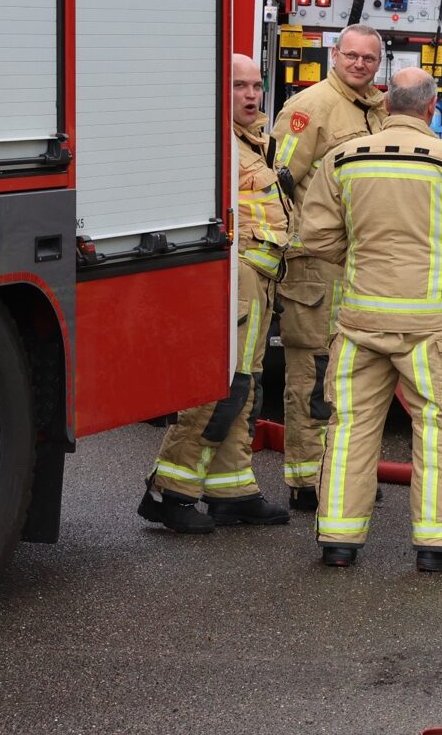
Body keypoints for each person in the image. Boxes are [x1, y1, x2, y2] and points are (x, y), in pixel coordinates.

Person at [296, 67, 442, 571]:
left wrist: (362, 262)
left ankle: (338, 541)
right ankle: (439, 544)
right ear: (432, 107)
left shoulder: (342, 160)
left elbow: (315, 235)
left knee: (349, 427)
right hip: (432, 326)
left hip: (361, 319)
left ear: (386, 103)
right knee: (441, 428)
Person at [138, 54, 293, 533]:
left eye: (256, 85)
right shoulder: (214, 145)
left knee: (243, 388)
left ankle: (232, 491)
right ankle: (170, 492)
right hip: (235, 278)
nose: (250, 95)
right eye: (238, 87)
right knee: (220, 387)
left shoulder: (254, 144)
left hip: (260, 281)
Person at [270, 25, 388, 511]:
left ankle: (336, 473)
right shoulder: (310, 107)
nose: (359, 65)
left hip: (357, 265)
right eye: (351, 56)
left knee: (349, 374)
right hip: (315, 266)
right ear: (333, 54)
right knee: (313, 370)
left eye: (369, 58)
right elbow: (277, 181)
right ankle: (307, 479)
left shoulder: (376, 108)